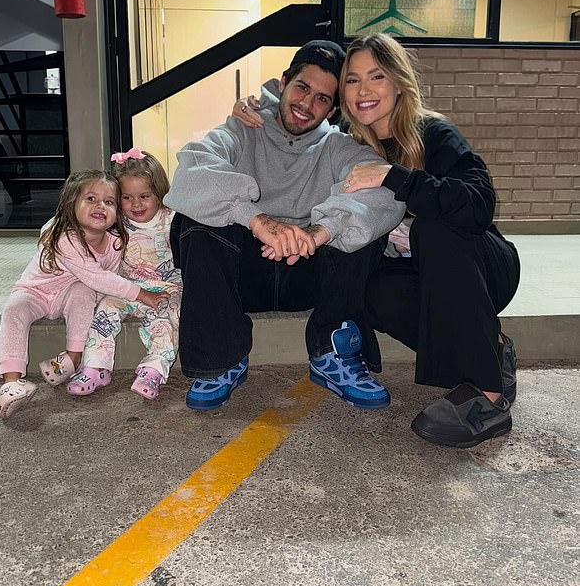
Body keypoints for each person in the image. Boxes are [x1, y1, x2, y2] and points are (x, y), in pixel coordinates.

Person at [235, 33, 520, 448]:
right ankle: (491, 351)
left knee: (433, 226)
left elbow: (478, 207)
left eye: (376, 77)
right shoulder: (349, 142)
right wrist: (256, 105)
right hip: (424, 278)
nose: (363, 91)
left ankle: (488, 396)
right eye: (352, 81)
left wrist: (394, 177)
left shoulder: (433, 133)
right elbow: (298, 108)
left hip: (482, 269)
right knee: (371, 291)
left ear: (400, 83)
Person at [163, 40, 406, 412]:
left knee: (363, 225)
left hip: (307, 272)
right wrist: (257, 221)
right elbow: (191, 172)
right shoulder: (242, 128)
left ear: (334, 108)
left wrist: (318, 232)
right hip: (243, 275)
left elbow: (386, 191)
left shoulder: (340, 147)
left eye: (323, 99)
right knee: (195, 218)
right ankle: (221, 360)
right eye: (302, 88)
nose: (307, 104)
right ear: (283, 83)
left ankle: (332, 353)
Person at [0, 169, 168, 419]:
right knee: (14, 309)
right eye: (91, 199)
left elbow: (104, 281)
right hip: (36, 291)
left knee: (83, 291)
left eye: (109, 202)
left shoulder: (115, 241)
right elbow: (97, 276)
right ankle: (11, 382)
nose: (100, 206)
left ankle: (73, 358)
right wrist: (141, 294)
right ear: (70, 203)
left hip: (72, 293)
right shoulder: (65, 236)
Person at [66, 149, 182, 400]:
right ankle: (96, 366)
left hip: (166, 287)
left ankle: (153, 370)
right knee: (105, 310)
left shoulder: (172, 219)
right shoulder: (116, 222)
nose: (136, 204)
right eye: (127, 198)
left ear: (160, 192)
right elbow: (76, 223)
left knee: (168, 319)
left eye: (144, 196)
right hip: (127, 287)